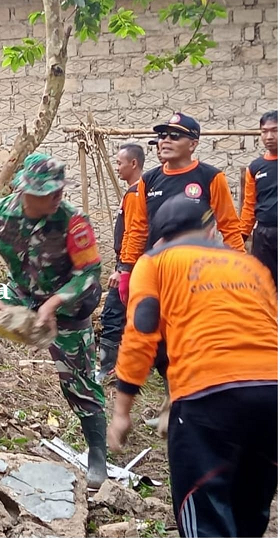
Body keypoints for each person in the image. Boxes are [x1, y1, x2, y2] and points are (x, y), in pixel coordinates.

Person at [0, 153, 108, 489]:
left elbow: (89, 273)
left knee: (80, 383)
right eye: (48, 193)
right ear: (25, 190)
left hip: (67, 308)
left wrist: (55, 303)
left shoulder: (74, 221)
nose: (57, 197)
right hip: (20, 295)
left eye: (58, 191)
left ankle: (97, 456)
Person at [109, 194, 277, 538]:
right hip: (272, 394)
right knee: (249, 515)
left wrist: (121, 412)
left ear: (161, 237)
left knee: (205, 518)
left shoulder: (154, 262)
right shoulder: (252, 266)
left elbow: (142, 333)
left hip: (207, 399)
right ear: (212, 230)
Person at [118, 113, 245, 305]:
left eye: (175, 136)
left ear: (192, 145)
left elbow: (230, 227)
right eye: (163, 136)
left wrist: (241, 268)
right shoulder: (148, 180)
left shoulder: (211, 177)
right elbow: (137, 229)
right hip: (157, 272)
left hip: (198, 274)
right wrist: (126, 270)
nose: (166, 141)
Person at [96, 143, 144, 383]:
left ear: (133, 164)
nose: (117, 168)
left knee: (113, 314)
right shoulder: (135, 192)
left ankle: (109, 369)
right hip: (130, 263)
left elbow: (134, 232)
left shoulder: (136, 193)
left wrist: (123, 268)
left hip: (129, 265)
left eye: (119, 163)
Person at [240, 110, 277, 287]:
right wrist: (241, 236)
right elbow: (249, 206)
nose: (269, 136)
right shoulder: (255, 168)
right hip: (264, 235)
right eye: (264, 131)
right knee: (263, 286)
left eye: (275, 130)